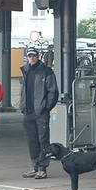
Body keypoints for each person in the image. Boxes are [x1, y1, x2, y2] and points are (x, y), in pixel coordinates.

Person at [19, 47, 58, 179]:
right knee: (32, 141)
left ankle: (42, 168)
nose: (32, 58)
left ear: (38, 56)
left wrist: (46, 107)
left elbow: (53, 91)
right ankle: (35, 166)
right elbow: (23, 91)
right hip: (28, 111)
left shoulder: (46, 71)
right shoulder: (25, 70)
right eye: (30, 56)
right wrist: (22, 106)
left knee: (43, 141)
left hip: (41, 112)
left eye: (34, 56)